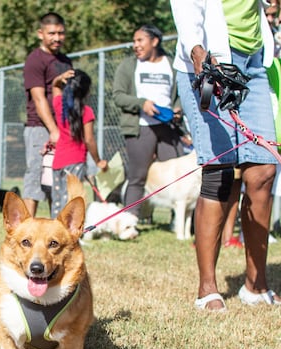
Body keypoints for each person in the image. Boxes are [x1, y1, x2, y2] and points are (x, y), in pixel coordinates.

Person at [171, 0, 281, 310]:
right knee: (218, 171)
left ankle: (256, 285)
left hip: (254, 63)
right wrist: (197, 50)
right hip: (209, 59)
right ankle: (207, 287)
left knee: (263, 171)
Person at [113, 24, 185, 219]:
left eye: (140, 40)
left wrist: (177, 109)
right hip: (140, 128)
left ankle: (176, 219)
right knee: (138, 176)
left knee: (174, 175)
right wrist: (141, 104)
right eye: (134, 41)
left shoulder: (171, 64)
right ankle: (130, 219)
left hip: (167, 128)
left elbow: (180, 94)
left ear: (154, 41)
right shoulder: (128, 66)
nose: (135, 45)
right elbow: (118, 96)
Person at [22, 12, 73, 217]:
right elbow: (39, 98)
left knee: (58, 181)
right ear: (40, 34)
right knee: (35, 177)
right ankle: (24, 229)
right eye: (52, 33)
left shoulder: (65, 61)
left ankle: (56, 227)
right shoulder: (35, 60)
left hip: (63, 128)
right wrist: (53, 130)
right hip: (40, 128)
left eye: (61, 33)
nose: (57, 38)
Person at [50, 69, 108, 218]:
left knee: (58, 199)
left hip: (58, 161)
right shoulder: (86, 112)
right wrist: (98, 161)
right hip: (75, 161)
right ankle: (66, 235)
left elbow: (54, 87)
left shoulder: (59, 106)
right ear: (86, 92)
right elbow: (89, 139)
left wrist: (60, 77)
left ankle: (54, 231)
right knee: (72, 199)